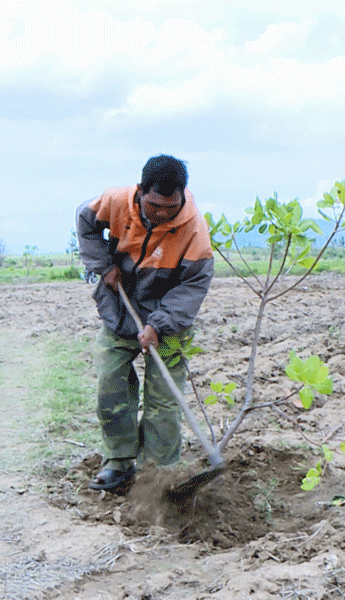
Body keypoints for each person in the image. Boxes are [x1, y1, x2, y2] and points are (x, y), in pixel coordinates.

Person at [75, 155, 214, 494]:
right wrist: (102, 265)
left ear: (182, 195)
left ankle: (159, 473)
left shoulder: (195, 230)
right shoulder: (115, 201)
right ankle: (119, 462)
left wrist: (159, 325)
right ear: (140, 192)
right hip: (120, 308)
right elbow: (85, 221)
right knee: (111, 386)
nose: (162, 214)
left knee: (164, 402)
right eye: (154, 206)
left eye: (170, 206)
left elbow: (192, 286)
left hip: (169, 321)